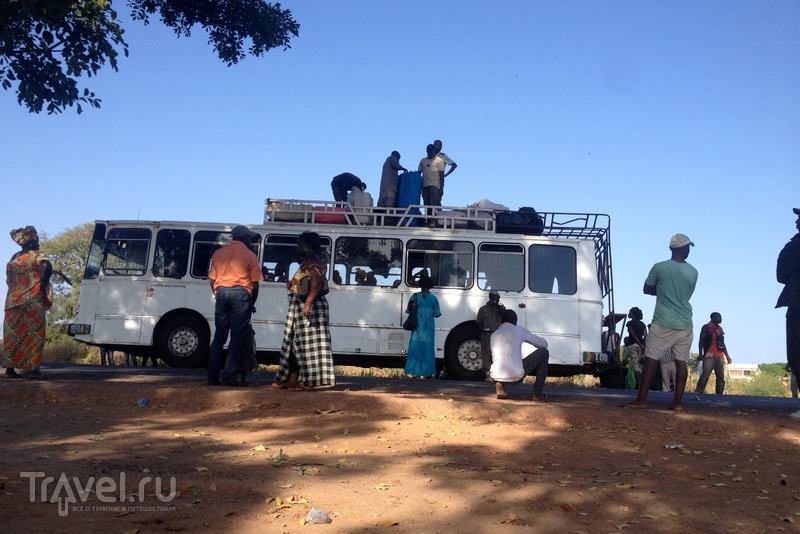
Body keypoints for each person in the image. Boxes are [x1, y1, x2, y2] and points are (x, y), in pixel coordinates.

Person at [625, 234, 698, 410]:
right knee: (681, 363)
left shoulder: (659, 267)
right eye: (688, 247)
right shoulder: (693, 272)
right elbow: (686, 295)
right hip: (685, 323)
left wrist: (662, 290)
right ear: (684, 249)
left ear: (671, 249)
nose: (688, 250)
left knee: (651, 360)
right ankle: (678, 404)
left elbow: (646, 289)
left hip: (663, 322)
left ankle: (642, 400)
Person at [272, 232, 335, 390]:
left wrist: (307, 304)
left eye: (299, 244)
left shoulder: (314, 262)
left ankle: (308, 382)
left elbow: (316, 282)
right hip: (298, 306)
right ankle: (293, 380)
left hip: (307, 306)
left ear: (306, 247)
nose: (297, 247)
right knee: (295, 344)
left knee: (307, 346)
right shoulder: (308, 261)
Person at [207, 225, 262, 387]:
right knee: (236, 338)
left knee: (219, 337)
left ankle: (212, 377)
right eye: (249, 238)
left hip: (222, 293)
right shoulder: (250, 255)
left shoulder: (218, 254)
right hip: (241, 294)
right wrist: (251, 302)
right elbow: (255, 284)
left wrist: (218, 294)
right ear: (244, 238)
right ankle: (229, 376)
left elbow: (212, 280)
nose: (251, 241)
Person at [3, 226, 52, 379]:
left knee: (13, 334)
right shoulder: (37, 255)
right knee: (35, 334)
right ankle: (33, 370)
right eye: (36, 240)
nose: (38, 242)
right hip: (33, 299)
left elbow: (8, 277)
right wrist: (43, 282)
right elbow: (47, 266)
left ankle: (10, 369)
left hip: (13, 301)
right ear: (29, 242)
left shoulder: (14, 257)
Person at [489, 309, 550, 401]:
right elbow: (543, 344)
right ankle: (537, 395)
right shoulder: (518, 330)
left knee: (499, 358)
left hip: (495, 375)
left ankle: (500, 385)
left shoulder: (494, 334)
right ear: (515, 322)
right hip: (516, 376)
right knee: (544, 352)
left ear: (501, 321)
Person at [776, 207, 800, 419]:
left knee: (797, 354)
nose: (796, 222)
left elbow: (781, 274)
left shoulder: (796, 245)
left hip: (799, 307)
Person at [403, 273, 441, 378]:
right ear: (430, 286)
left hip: (416, 328)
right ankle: (427, 373)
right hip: (428, 329)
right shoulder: (433, 299)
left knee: (415, 347)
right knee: (428, 349)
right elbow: (437, 314)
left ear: (420, 285)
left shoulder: (414, 296)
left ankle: (413, 372)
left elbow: (408, 311)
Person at [695, 312, 732, 395]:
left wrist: (727, 356)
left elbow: (722, 344)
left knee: (720, 377)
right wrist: (700, 353)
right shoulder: (707, 327)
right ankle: (698, 391)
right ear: (712, 318)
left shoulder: (720, 329)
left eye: (720, 316)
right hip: (709, 355)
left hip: (719, 356)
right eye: (717, 316)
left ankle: (719, 394)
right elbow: (701, 341)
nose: (720, 318)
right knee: (705, 375)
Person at [476, 291, 506, 374]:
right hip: (487, 334)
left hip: (498, 334)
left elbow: (505, 314)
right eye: (495, 297)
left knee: (498, 352)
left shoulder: (500, 308)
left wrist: (497, 306)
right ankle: (488, 372)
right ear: (490, 297)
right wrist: (482, 328)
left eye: (498, 298)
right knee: (486, 352)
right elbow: (479, 322)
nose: (496, 300)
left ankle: (497, 371)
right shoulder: (483, 309)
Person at [417, 144, 445, 223]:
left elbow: (442, 176)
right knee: (427, 204)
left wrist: (441, 188)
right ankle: (429, 221)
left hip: (435, 186)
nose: (430, 153)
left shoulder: (439, 160)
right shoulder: (423, 161)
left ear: (434, 151)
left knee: (434, 204)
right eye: (428, 152)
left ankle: (436, 221)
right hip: (425, 186)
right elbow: (419, 172)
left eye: (431, 152)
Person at [624, 307, 647, 389]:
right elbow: (645, 336)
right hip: (641, 346)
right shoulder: (642, 324)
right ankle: (640, 385)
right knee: (640, 365)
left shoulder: (630, 323)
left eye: (630, 312)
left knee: (636, 366)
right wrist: (643, 346)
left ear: (632, 313)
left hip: (632, 346)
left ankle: (640, 385)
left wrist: (639, 344)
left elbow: (632, 335)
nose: (629, 313)